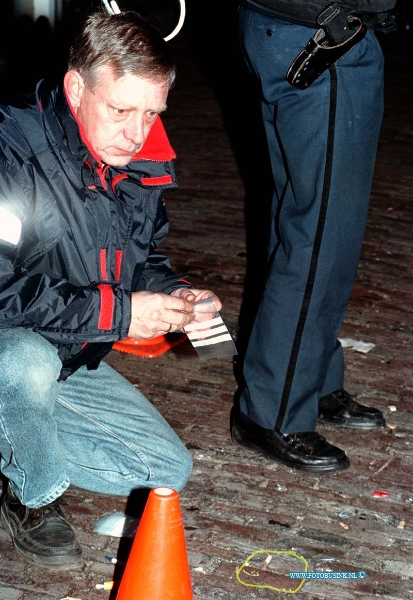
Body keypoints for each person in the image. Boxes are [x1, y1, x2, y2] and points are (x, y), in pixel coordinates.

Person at [0, 10, 222, 569]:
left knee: (163, 473)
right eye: (121, 109)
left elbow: (140, 257)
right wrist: (119, 315)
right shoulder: (10, 149)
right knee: (23, 361)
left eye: (152, 113)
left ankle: (14, 433)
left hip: (65, 356)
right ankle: (31, 492)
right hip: (15, 350)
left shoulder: (136, 154)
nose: (136, 131)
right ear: (76, 88)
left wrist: (176, 294)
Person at [231, 0, 397, 474]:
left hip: (293, 27)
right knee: (319, 232)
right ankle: (271, 410)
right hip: (319, 34)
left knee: (310, 222)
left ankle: (311, 378)